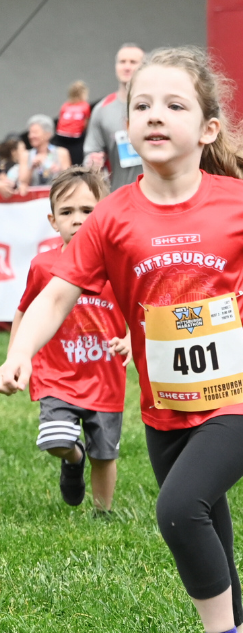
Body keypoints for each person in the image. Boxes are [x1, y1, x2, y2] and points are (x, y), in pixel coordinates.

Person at [1, 47, 243, 633]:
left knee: (177, 509)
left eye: (174, 105)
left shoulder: (238, 203)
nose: (155, 115)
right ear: (126, 125)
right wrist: (21, 350)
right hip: (165, 404)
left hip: (242, 396)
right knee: (208, 516)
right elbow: (55, 293)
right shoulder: (113, 216)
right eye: (142, 105)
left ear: (208, 129)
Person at [10, 166, 129, 511]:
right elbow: (25, 311)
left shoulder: (118, 265)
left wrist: (134, 342)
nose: (77, 220)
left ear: (104, 215)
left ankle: (103, 512)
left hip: (105, 378)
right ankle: (72, 459)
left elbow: (140, 311)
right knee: (54, 439)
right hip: (56, 376)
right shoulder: (43, 267)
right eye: (67, 212)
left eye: (88, 211)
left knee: (104, 454)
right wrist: (17, 355)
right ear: (52, 220)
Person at [84, 43, 145, 189]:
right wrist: (92, 162)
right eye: (122, 62)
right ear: (116, 67)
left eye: (133, 62)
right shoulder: (102, 109)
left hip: (158, 196)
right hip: (119, 194)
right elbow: (91, 152)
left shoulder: (157, 106)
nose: (127, 67)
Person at [15, 115, 71, 193]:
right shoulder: (26, 155)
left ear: (47, 134)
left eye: (35, 132)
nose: (31, 136)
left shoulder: (61, 152)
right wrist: (31, 167)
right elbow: (22, 182)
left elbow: (69, 180)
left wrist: (55, 169)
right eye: (30, 133)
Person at [56, 81, 92, 166]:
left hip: (60, 135)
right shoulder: (85, 106)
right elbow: (85, 124)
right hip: (76, 137)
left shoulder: (65, 105)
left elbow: (60, 120)